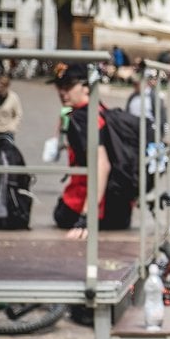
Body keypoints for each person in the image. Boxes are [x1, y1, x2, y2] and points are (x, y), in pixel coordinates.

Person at [49, 62, 132, 239]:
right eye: (59, 86)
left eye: (69, 86)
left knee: (60, 214)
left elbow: (102, 165)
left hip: (93, 210)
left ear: (86, 87)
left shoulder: (81, 118)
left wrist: (86, 217)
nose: (62, 92)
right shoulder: (100, 109)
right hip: (121, 210)